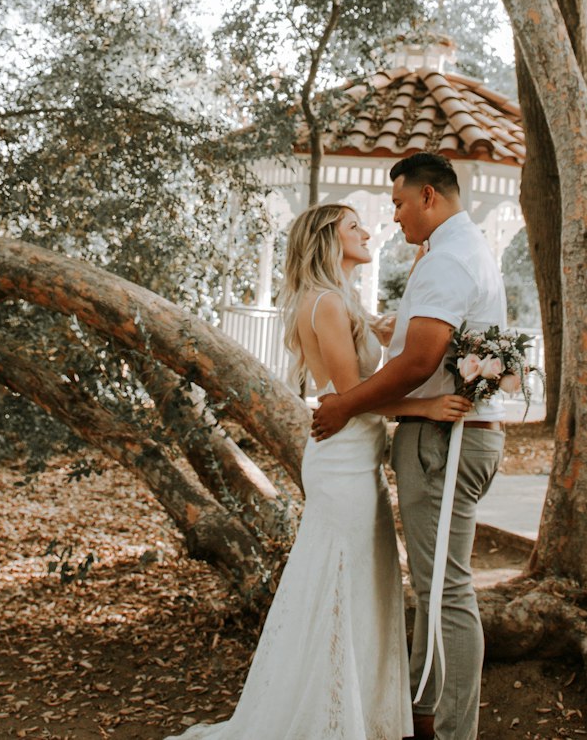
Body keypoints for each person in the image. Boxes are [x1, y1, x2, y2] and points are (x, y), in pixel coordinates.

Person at [166, 201, 470, 740]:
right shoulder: (327, 303)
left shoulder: (338, 301)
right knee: (341, 579)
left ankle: (350, 709)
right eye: (354, 227)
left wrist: (384, 324)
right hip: (344, 460)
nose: (368, 231)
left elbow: (351, 378)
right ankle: (332, 717)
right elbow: (351, 397)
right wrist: (423, 409)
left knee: (358, 579)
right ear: (329, 239)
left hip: (354, 458)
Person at [312, 155, 509, 740]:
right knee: (434, 589)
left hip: (444, 441)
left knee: (445, 592)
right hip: (447, 436)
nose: (393, 218)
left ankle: (451, 732)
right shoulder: (463, 250)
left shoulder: (448, 258)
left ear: (428, 197)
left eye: (398, 204)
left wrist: (347, 404)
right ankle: (422, 718)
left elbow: (421, 361)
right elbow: (432, 343)